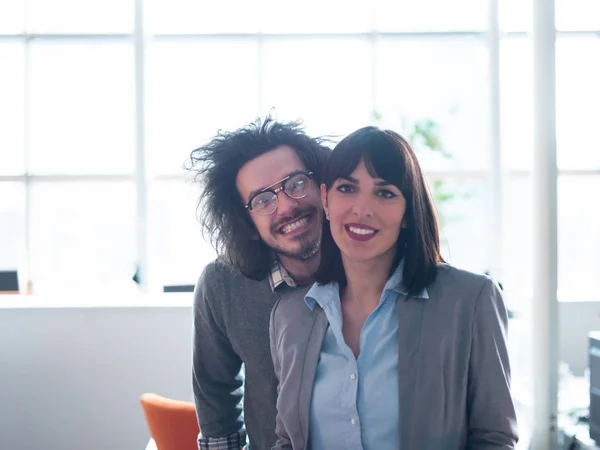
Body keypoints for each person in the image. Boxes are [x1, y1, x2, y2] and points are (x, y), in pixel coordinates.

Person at [270, 126, 519, 449]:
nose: (363, 208)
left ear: (406, 212)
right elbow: (288, 440)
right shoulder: (291, 316)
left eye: (385, 192)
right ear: (326, 200)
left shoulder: (470, 301)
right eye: (347, 188)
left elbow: (494, 438)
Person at [185, 117, 330, 450]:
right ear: (246, 222)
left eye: (296, 183)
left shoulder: (369, 265)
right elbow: (215, 395)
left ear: (323, 186)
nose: (288, 206)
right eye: (263, 200)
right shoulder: (222, 285)